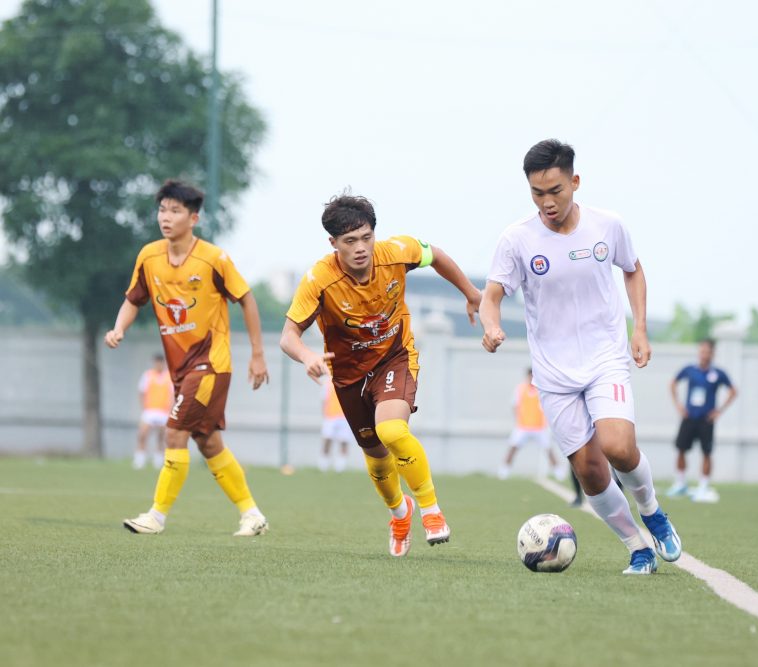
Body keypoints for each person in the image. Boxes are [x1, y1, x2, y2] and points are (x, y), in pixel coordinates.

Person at [480, 139, 682, 575]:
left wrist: (640, 327)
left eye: (555, 190)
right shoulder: (516, 239)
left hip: (605, 358)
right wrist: (491, 326)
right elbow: (491, 295)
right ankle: (637, 547)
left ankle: (652, 511)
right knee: (590, 470)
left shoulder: (608, 226)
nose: (547, 202)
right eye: (537, 193)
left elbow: (633, 269)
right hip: (553, 375)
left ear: (575, 181)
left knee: (617, 447)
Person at [280, 192, 481, 557]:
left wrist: (470, 293)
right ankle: (399, 513)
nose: (361, 248)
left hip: (394, 357)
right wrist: (307, 354)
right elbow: (288, 336)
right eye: (349, 241)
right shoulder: (319, 279)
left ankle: (431, 512)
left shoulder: (397, 251)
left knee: (392, 429)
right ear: (333, 243)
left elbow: (436, 255)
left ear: (375, 233)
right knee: (374, 454)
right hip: (348, 376)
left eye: (366, 237)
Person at [105, 179, 270, 537]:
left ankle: (156, 517)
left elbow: (247, 299)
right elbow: (134, 299)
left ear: (193, 218)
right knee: (207, 442)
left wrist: (258, 355)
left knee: (174, 431)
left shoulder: (213, 258)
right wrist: (119, 329)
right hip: (181, 367)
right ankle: (252, 514)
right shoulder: (149, 256)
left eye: (175, 211)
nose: (166, 217)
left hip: (210, 363)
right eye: (162, 209)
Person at [666, 338, 738, 502]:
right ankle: (680, 483)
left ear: (712, 353)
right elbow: (673, 383)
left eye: (707, 351)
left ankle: (703, 486)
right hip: (690, 417)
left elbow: (733, 391)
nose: (704, 354)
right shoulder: (690, 370)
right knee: (681, 449)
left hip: (706, 420)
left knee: (706, 452)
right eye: (701, 351)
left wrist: (719, 411)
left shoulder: (718, 374)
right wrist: (678, 405)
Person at [498, 368, 563, 480]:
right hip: (523, 427)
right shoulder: (520, 389)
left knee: (549, 450)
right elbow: (514, 405)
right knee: (513, 448)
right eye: (530, 376)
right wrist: (519, 419)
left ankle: (558, 473)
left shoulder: (541, 389)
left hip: (539, 427)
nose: (531, 378)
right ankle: (504, 471)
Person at [133, 354, 173, 470]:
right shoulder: (148, 375)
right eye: (157, 362)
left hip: (163, 411)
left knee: (161, 437)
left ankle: (158, 460)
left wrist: (170, 410)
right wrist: (144, 407)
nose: (158, 365)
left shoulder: (168, 377)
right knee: (142, 435)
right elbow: (141, 391)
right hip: (150, 410)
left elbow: (172, 394)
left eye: (160, 363)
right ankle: (139, 460)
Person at [320, 380, 354, 472]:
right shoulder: (327, 383)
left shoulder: (348, 382)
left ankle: (340, 467)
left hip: (344, 417)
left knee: (344, 441)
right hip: (330, 416)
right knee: (327, 439)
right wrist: (325, 416)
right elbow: (324, 400)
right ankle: (323, 465)